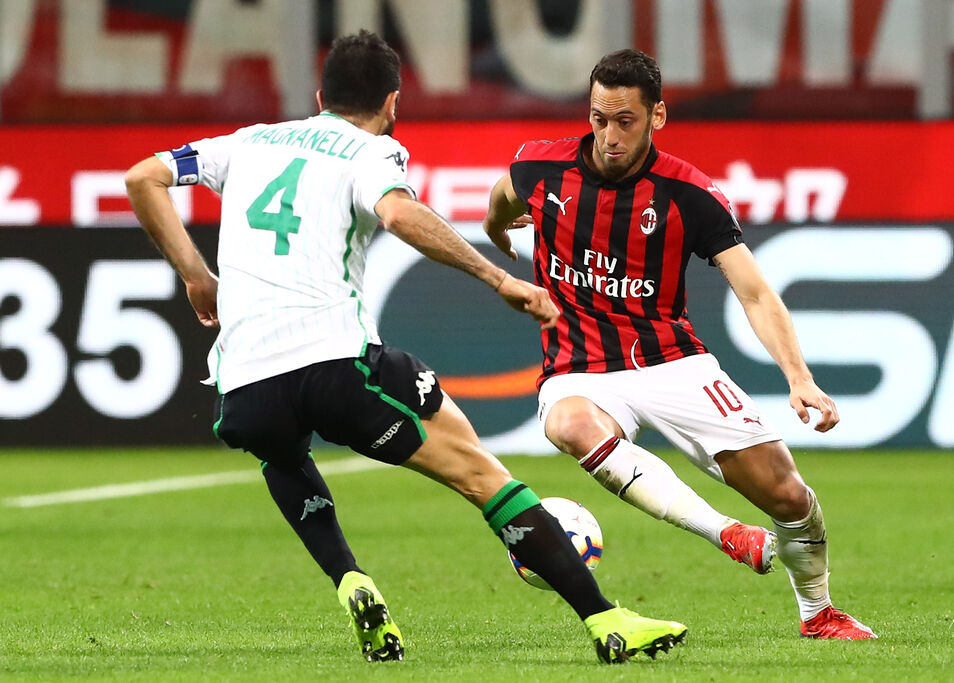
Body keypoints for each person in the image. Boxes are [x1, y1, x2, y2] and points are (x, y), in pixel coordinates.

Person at [124, 31, 687, 664]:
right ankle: (605, 619)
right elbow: (397, 215)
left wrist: (196, 275)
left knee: (282, 454)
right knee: (481, 474)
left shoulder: (249, 141)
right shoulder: (373, 150)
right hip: (336, 368)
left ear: (319, 95)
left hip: (245, 386)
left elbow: (143, 177)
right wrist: (500, 277)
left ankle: (350, 580)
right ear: (393, 102)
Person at [483, 48, 876, 640]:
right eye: (598, 118)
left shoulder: (688, 192)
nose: (609, 135)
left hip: (672, 361)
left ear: (657, 117)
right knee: (567, 424)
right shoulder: (540, 168)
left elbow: (755, 293)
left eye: (625, 121)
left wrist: (799, 377)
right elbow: (499, 203)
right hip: (578, 366)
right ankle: (725, 533)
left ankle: (818, 612)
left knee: (788, 495)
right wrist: (499, 237)